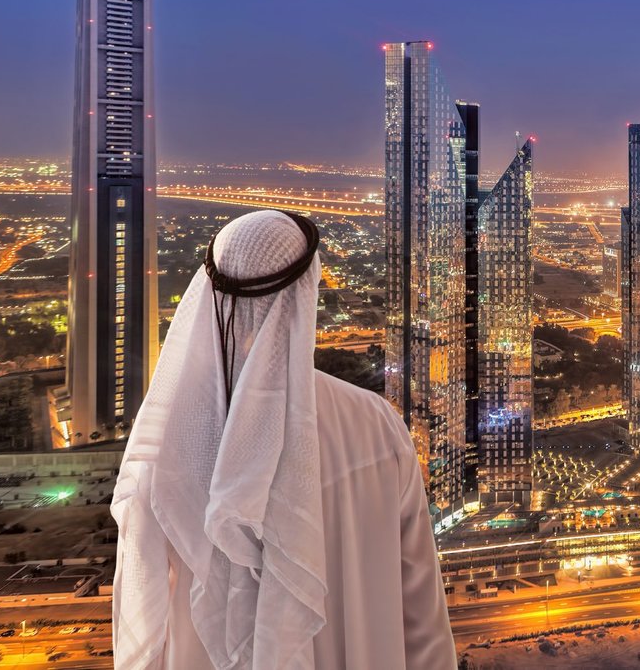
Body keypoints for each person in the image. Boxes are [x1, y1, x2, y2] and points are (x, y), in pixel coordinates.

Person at [112, 209, 456, 669]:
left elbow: (144, 610)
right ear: (306, 294)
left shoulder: (171, 437)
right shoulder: (373, 423)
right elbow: (421, 607)